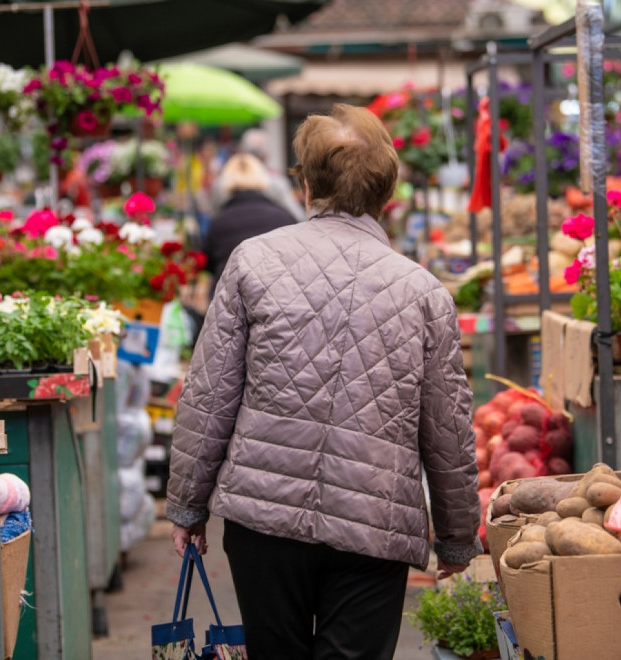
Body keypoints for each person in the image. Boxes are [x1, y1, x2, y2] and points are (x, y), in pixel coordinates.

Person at [166, 103, 481, 660]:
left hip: (264, 517)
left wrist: (188, 505)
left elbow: (210, 394)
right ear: (388, 191)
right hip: (374, 523)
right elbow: (447, 427)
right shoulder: (424, 292)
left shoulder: (252, 262)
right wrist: (456, 537)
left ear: (307, 184)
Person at [202, 153, 296, 300]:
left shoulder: (219, 222)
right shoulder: (284, 217)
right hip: (278, 299)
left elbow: (208, 264)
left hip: (230, 300)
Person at [212, 127, 306, 222]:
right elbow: (297, 215)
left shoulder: (222, 182)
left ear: (241, 151)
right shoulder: (276, 182)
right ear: (266, 156)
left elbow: (214, 216)